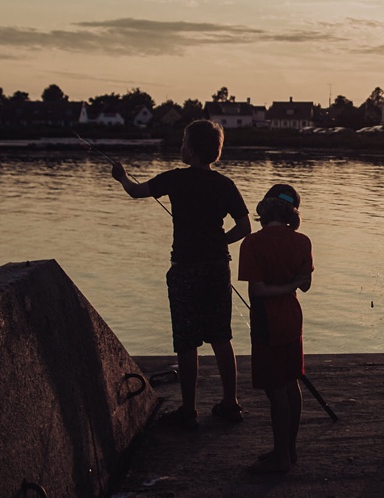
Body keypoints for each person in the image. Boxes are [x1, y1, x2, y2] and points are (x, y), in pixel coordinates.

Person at [111, 119, 251, 429]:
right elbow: (245, 227)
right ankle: (231, 403)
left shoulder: (174, 179)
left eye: (184, 142)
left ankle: (189, 410)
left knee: (187, 341)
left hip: (185, 267)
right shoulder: (225, 185)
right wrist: (220, 240)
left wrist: (121, 176)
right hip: (218, 267)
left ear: (191, 150)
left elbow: (135, 192)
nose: (181, 147)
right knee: (221, 336)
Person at [236, 184, 313, 476]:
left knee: (275, 389)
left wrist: (283, 286)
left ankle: (281, 458)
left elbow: (257, 290)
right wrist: (291, 284)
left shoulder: (252, 243)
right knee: (291, 382)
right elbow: (305, 283)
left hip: (267, 323)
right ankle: (289, 449)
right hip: (293, 319)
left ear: (265, 208)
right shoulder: (302, 241)